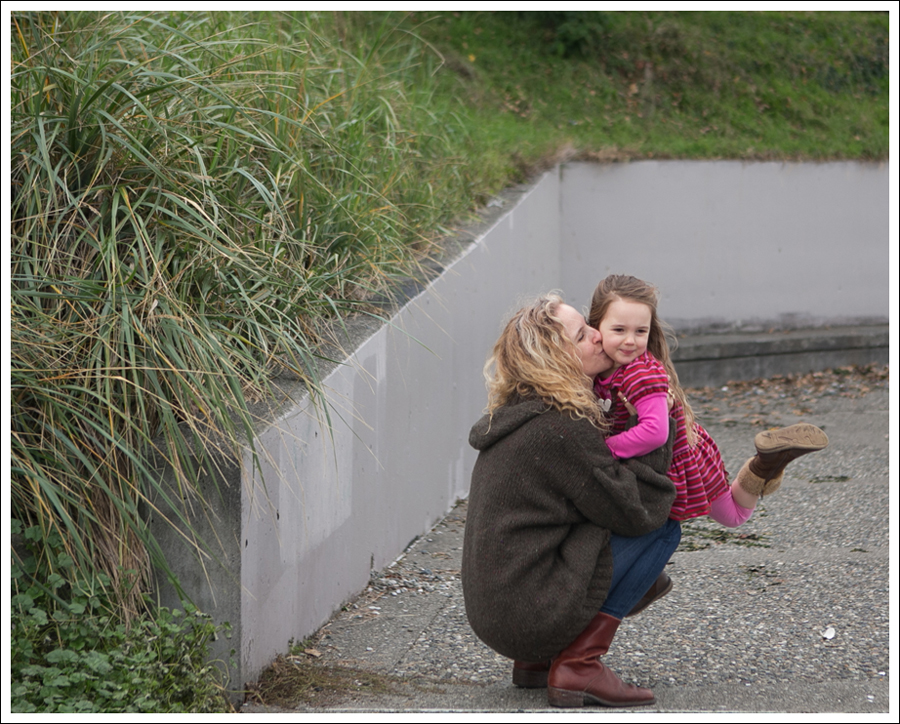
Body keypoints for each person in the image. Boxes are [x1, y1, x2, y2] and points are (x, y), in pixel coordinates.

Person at [462, 293, 682, 708]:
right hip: (527, 616)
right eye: (583, 335)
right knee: (663, 528)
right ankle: (580, 664)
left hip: (500, 615)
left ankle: (538, 662)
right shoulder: (560, 428)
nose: (600, 336)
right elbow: (639, 510)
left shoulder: (522, 410)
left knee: (601, 519)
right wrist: (657, 427)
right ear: (555, 358)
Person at [588, 274, 829, 527]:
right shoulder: (602, 367)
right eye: (619, 330)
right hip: (653, 458)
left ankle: (763, 466)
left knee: (734, 516)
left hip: (677, 460)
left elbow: (655, 432)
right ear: (595, 327)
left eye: (640, 331)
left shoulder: (641, 374)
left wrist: (605, 450)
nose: (630, 340)